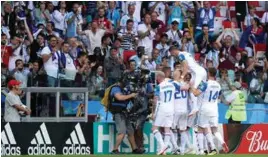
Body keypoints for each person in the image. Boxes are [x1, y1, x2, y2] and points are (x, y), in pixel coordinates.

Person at [191, 68, 229, 155]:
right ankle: (222, 142)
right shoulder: (218, 85)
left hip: (205, 108)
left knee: (200, 128)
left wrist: (191, 87)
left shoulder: (205, 83)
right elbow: (219, 96)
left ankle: (202, 150)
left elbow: (196, 93)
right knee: (215, 130)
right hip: (214, 109)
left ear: (208, 73)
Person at [109, 77, 143, 154]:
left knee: (131, 131)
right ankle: (115, 150)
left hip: (125, 113)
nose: (127, 84)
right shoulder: (115, 88)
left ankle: (134, 149)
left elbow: (130, 99)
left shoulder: (125, 90)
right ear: (121, 82)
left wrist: (135, 95)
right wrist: (131, 95)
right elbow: (119, 97)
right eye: (126, 82)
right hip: (118, 113)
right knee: (122, 132)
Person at [151, 71, 176, 155]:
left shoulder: (159, 87)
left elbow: (155, 100)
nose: (156, 80)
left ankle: (162, 146)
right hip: (171, 109)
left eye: (156, 78)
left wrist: (153, 112)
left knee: (154, 128)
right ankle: (164, 151)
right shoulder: (172, 84)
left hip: (162, 108)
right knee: (167, 129)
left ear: (158, 77)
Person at [170, 69, 190, 155]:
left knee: (171, 129)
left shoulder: (172, 84)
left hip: (176, 110)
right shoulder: (185, 83)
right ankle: (182, 150)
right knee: (183, 130)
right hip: (184, 110)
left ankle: (176, 148)